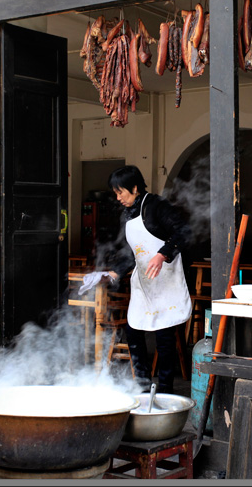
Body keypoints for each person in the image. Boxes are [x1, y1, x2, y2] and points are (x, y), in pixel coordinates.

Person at [100, 165, 192, 394]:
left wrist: (162, 254)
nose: (118, 197)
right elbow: (130, 252)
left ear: (134, 187)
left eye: (121, 192)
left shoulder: (157, 206)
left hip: (166, 281)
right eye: (116, 193)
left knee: (164, 335)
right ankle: (141, 386)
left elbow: (183, 232)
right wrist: (114, 272)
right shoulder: (127, 214)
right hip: (143, 282)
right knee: (133, 331)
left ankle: (166, 390)